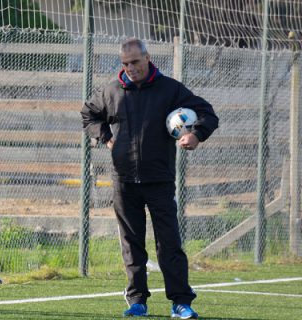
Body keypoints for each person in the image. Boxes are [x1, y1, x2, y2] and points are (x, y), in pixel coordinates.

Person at [81, 37, 218, 319]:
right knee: (131, 243)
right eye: (125, 63)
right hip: (124, 180)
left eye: (135, 62)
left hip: (159, 179)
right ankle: (137, 301)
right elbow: (89, 115)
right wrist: (105, 137)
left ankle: (181, 302)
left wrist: (195, 135)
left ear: (147, 59)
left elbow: (207, 113)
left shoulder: (170, 89)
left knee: (168, 242)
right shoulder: (111, 91)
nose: (130, 68)